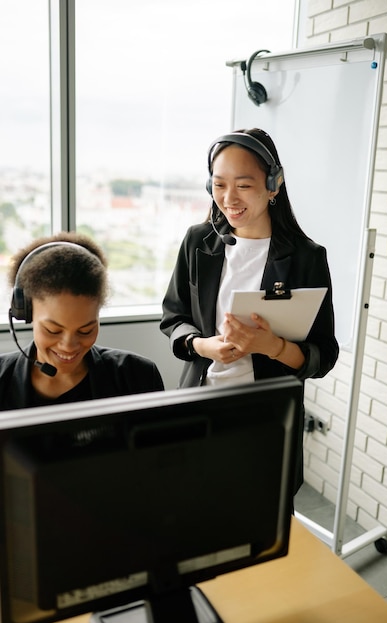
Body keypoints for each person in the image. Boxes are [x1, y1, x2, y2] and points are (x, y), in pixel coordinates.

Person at [160, 128, 339, 493]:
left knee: (260, 527)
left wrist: (270, 346)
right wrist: (201, 345)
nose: (229, 198)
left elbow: (323, 356)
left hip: (266, 422)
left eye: (243, 185)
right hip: (201, 406)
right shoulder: (198, 242)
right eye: (219, 184)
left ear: (273, 185)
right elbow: (173, 317)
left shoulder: (306, 258)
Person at [0, 231, 164, 410]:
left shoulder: (138, 377)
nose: (69, 346)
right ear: (27, 312)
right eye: (53, 330)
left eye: (85, 330)